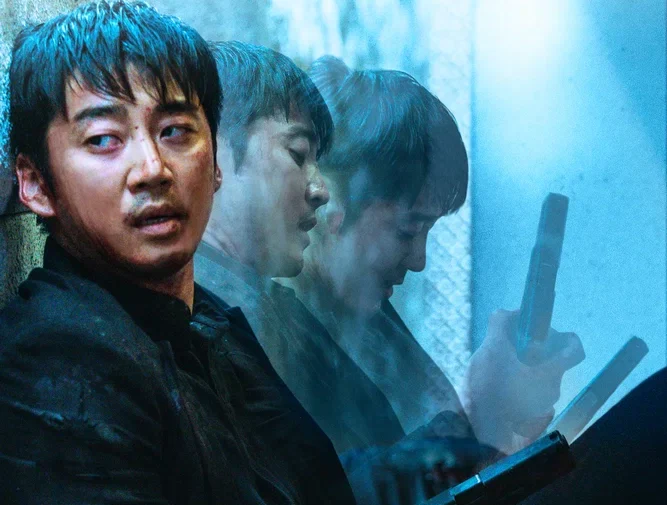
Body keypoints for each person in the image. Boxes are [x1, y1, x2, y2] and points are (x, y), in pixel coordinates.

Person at [0, 3, 355, 504]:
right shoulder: (54, 361)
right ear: (35, 183)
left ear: (215, 164)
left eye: (175, 132)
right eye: (103, 139)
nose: (152, 169)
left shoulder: (210, 321)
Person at [278, 56, 586, 455]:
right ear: (329, 204)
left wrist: (503, 436)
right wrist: (481, 407)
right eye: (407, 230)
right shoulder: (273, 343)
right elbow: (350, 482)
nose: (419, 260)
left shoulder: (368, 322)